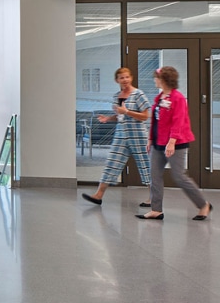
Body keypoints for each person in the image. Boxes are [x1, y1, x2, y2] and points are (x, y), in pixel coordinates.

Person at [137, 66, 212, 221]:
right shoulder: (160, 98)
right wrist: (150, 139)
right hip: (159, 142)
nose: (154, 80)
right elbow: (156, 121)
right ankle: (156, 210)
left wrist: (171, 142)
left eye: (156, 78)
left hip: (176, 143)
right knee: (155, 176)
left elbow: (178, 122)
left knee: (179, 176)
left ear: (164, 80)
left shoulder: (178, 98)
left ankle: (203, 205)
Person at [81, 67, 151, 205]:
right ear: (117, 80)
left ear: (131, 78)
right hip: (121, 134)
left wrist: (127, 111)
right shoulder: (116, 96)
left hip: (137, 135)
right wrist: (108, 118)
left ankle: (154, 197)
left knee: (145, 165)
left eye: (127, 77)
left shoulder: (138, 94)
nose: (124, 80)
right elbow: (120, 115)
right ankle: (99, 195)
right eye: (121, 78)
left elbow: (145, 116)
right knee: (112, 162)